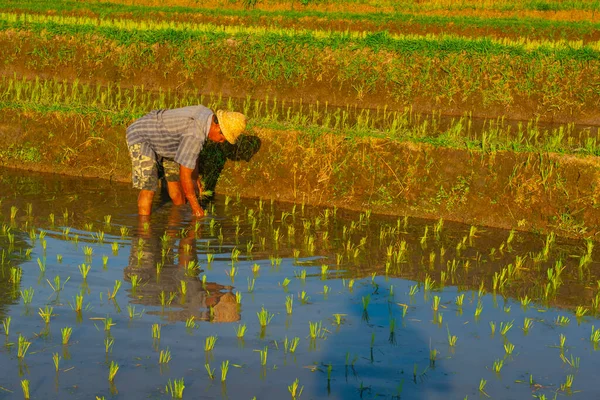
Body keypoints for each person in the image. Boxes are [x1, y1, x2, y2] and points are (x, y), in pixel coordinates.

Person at [126, 105, 247, 216]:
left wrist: (195, 178)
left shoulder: (207, 116)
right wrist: (196, 208)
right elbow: (185, 175)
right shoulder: (196, 134)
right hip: (142, 136)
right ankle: (144, 232)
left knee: (176, 190)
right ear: (217, 126)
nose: (222, 141)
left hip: (169, 144)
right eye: (223, 137)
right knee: (149, 187)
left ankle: (177, 224)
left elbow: (192, 154)